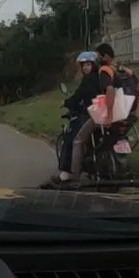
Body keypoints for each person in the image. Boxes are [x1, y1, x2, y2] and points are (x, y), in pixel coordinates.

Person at [69, 43, 139, 179]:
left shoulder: (105, 70)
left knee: (78, 140)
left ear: (106, 56)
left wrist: (109, 115)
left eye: (98, 56)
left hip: (107, 115)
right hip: (126, 114)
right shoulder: (124, 70)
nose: (96, 59)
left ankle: (74, 177)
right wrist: (137, 112)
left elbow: (109, 91)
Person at [57, 51, 100, 182]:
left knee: (71, 138)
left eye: (88, 64)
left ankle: (68, 173)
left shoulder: (89, 80)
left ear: (94, 65)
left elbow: (78, 96)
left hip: (89, 114)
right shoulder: (99, 78)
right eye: (84, 65)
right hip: (101, 114)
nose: (86, 67)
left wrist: (66, 103)